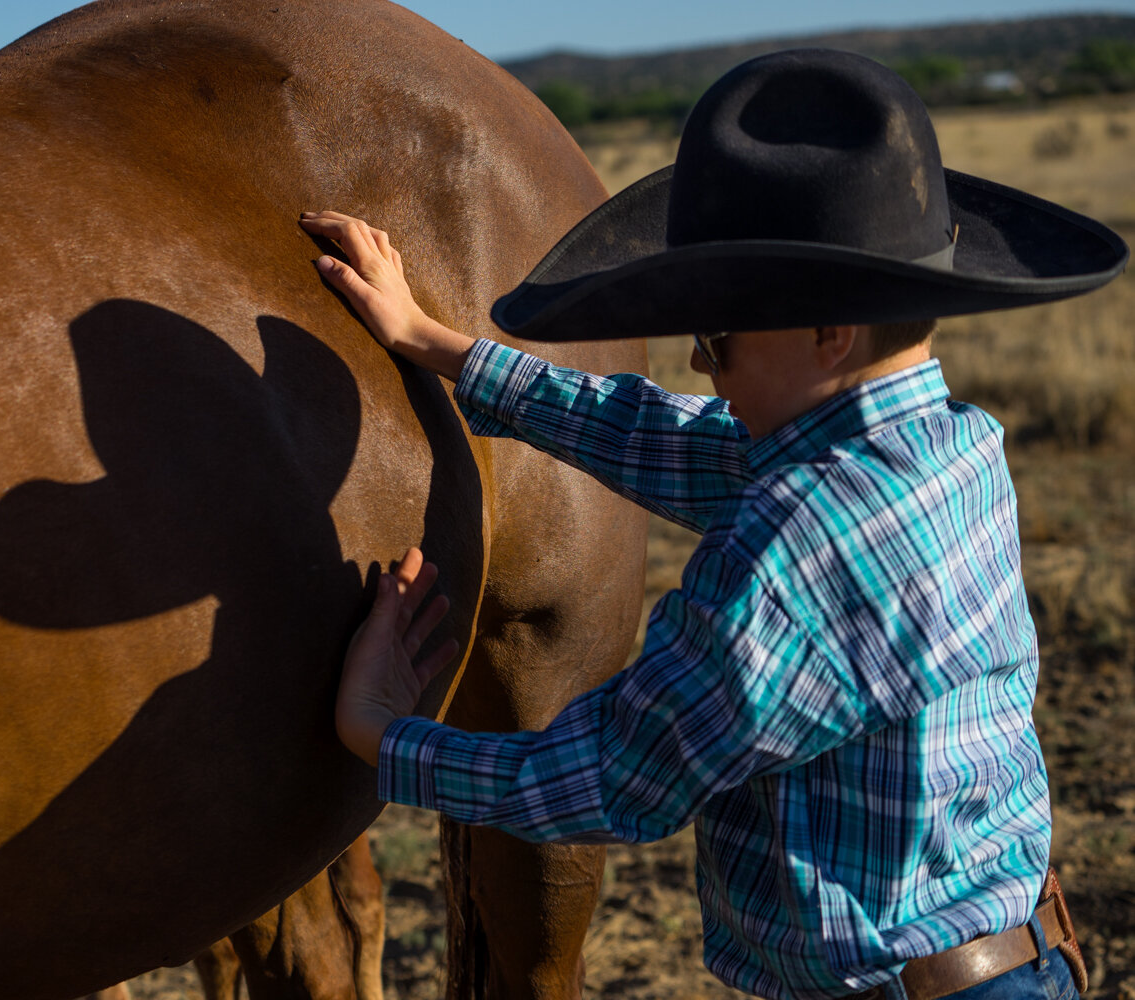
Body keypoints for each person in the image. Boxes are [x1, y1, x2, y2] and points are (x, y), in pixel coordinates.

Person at [299, 48, 1128, 1000]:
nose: (700, 360)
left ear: (831, 330)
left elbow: (618, 777)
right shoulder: (950, 448)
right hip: (1012, 960)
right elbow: (661, 434)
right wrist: (436, 345)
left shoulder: (802, 550)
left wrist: (385, 737)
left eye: (720, 334)